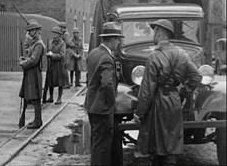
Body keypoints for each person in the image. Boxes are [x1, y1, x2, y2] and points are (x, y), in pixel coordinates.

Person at [133, 19, 202, 166]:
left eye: (155, 31)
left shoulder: (154, 56)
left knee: (155, 144)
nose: (154, 34)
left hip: (157, 104)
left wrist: (139, 113)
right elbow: (196, 76)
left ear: (159, 32)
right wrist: (182, 92)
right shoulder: (182, 55)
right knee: (171, 142)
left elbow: (147, 91)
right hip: (174, 101)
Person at [85, 22, 124, 166]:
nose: (119, 43)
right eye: (118, 39)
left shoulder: (93, 53)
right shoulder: (107, 58)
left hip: (92, 105)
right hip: (102, 109)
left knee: (96, 143)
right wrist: (112, 101)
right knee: (103, 147)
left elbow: (90, 78)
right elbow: (107, 83)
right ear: (112, 40)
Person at [19, 20, 45, 129]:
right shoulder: (34, 43)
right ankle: (37, 119)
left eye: (31, 31)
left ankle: (38, 120)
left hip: (34, 72)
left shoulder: (38, 44)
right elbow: (31, 57)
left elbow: (34, 60)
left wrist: (23, 63)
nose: (29, 33)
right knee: (32, 95)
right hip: (31, 72)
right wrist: (24, 59)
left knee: (36, 97)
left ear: (36, 31)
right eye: (29, 31)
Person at [44, 26, 66, 104]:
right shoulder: (50, 42)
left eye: (55, 34)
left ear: (59, 35)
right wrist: (48, 54)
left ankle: (59, 98)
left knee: (60, 82)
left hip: (59, 65)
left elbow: (62, 55)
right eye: (53, 34)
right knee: (50, 81)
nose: (54, 36)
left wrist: (52, 55)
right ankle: (51, 97)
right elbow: (48, 50)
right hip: (51, 65)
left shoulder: (62, 43)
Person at [58, 22, 72, 89]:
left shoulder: (66, 34)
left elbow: (68, 43)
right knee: (63, 68)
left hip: (66, 52)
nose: (59, 28)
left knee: (64, 68)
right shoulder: (62, 34)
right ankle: (65, 82)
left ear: (63, 28)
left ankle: (67, 83)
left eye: (60, 27)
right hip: (64, 51)